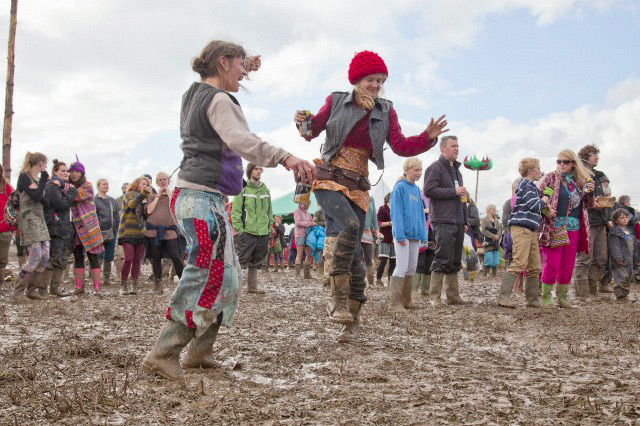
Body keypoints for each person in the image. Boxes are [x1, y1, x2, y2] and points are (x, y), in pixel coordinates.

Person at [142, 40, 314, 381]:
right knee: (207, 272)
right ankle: (163, 353)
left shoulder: (194, 94)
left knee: (228, 275)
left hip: (199, 198)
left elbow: (220, 78)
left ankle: (200, 352)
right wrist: (285, 156)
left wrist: (245, 64)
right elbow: (241, 139)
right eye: (238, 67)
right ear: (222, 63)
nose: (242, 77)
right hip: (201, 198)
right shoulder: (220, 100)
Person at [294, 50, 446, 343]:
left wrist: (427, 138)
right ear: (357, 80)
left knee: (353, 252)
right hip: (329, 177)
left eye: (380, 80)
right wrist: (302, 120)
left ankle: (350, 323)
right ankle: (336, 301)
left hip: (359, 184)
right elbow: (310, 132)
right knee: (351, 227)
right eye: (370, 79)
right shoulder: (337, 100)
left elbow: (400, 145)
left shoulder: (386, 110)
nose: (376, 85)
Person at [537, 149, 595, 308]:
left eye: (565, 162)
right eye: (559, 161)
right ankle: (546, 298)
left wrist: (590, 192)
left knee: (568, 265)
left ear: (573, 164)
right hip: (554, 227)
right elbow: (535, 198)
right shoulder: (549, 177)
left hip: (575, 227)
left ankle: (562, 299)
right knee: (553, 264)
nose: (561, 164)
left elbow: (589, 205)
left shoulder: (579, 182)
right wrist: (544, 209)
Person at [497, 158, 550, 308]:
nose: (540, 172)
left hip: (531, 229)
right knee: (519, 262)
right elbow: (534, 205)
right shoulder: (526, 185)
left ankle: (532, 300)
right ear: (531, 171)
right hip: (521, 228)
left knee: (535, 266)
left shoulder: (530, 187)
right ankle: (504, 297)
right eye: (538, 169)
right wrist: (546, 197)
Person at [423, 136, 470, 306]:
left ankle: (453, 296)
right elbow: (429, 190)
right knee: (442, 257)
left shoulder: (457, 171)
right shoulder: (435, 168)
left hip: (457, 221)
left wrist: (464, 220)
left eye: (458, 145)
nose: (457, 149)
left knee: (455, 259)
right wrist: (453, 191)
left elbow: (462, 197)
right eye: (453, 146)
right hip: (442, 219)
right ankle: (434, 296)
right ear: (443, 149)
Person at [573, 144, 612, 297]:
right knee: (584, 257)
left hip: (601, 220)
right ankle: (582, 294)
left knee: (600, 258)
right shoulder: (577, 173)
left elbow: (607, 192)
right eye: (594, 154)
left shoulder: (600, 174)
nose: (597, 157)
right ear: (586, 155)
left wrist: (606, 202)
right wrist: (591, 203)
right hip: (585, 220)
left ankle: (593, 291)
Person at [389, 157, 428, 311]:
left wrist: (423, 235)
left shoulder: (416, 190)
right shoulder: (399, 188)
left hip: (415, 235)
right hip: (402, 235)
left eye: (420, 170)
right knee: (402, 266)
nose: (419, 173)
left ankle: (406, 300)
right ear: (407, 170)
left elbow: (420, 214)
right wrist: (399, 235)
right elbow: (396, 212)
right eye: (416, 170)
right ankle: (394, 303)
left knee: (412, 267)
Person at [232, 163, 273, 293]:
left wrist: (269, 227)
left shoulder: (265, 190)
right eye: (256, 169)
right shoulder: (242, 190)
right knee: (241, 260)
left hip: (263, 232)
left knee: (256, 260)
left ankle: (252, 287)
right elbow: (236, 211)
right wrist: (240, 230)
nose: (259, 171)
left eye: (261, 169)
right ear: (250, 171)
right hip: (247, 232)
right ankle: (233, 288)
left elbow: (270, 211)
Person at [14, 152, 50, 300]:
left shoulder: (38, 179)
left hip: (40, 218)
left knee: (45, 255)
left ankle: (32, 290)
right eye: (45, 164)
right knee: (35, 254)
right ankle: (18, 290)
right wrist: (43, 180)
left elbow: (44, 200)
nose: (46, 167)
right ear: (40, 164)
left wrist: (43, 186)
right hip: (28, 218)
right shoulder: (24, 176)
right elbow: (35, 196)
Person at [68, 158, 105, 296]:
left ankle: (97, 288)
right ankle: (79, 287)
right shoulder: (68, 186)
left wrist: (66, 187)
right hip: (76, 227)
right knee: (78, 257)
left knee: (93, 257)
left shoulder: (88, 186)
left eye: (77, 171)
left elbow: (77, 196)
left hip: (89, 227)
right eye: (71, 171)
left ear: (82, 173)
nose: (74, 174)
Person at [43, 160, 78, 297]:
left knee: (62, 259)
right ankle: (42, 289)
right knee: (54, 259)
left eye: (66, 171)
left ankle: (55, 288)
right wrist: (71, 193)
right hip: (55, 227)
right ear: (55, 172)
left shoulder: (61, 186)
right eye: (62, 170)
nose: (66, 173)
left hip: (63, 227)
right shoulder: (52, 186)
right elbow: (60, 205)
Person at [145, 172, 184, 294]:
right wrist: (158, 196)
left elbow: (177, 209)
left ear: (168, 181)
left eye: (165, 179)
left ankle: (184, 283)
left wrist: (168, 194)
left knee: (176, 256)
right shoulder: (151, 197)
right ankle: (158, 283)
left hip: (170, 231)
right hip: (154, 232)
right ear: (157, 182)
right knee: (156, 257)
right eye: (160, 180)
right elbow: (149, 211)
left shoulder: (174, 197)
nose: (162, 181)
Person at [117, 176, 151, 295]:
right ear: (137, 184)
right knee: (128, 259)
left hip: (140, 232)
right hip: (127, 231)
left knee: (137, 260)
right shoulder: (129, 194)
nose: (145, 186)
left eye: (147, 184)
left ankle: (134, 284)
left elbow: (147, 214)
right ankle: (123, 284)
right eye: (143, 184)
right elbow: (131, 205)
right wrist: (142, 195)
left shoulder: (146, 197)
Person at [608, 208, 639, 302]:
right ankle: (620, 296)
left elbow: (634, 246)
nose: (625, 219)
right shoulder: (614, 232)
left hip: (629, 259)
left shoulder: (629, 231)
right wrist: (617, 258)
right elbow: (614, 246)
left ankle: (625, 295)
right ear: (616, 220)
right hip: (619, 260)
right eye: (622, 218)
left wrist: (635, 259)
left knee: (628, 277)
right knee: (620, 277)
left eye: (626, 217)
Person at [94, 178, 120, 287]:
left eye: (107, 184)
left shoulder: (112, 200)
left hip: (111, 232)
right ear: (98, 186)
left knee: (109, 256)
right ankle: (96, 279)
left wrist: (116, 228)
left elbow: (116, 215)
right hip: (98, 233)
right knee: (97, 256)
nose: (106, 186)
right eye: (104, 184)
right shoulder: (94, 200)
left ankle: (106, 278)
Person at [376, 193, 395, 286]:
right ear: (388, 199)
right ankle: (378, 279)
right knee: (383, 259)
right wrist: (389, 223)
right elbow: (378, 223)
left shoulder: (397, 209)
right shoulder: (382, 208)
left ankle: (390, 280)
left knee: (393, 261)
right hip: (385, 237)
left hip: (394, 239)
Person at [0, 163, 14, 288]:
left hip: (4, 230)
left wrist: (10, 223)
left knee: (2, 261)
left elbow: (15, 207)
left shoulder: (7, 188)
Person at [293, 202, 314, 278]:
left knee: (309, 254)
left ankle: (307, 274)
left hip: (308, 235)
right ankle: (297, 274)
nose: (309, 206)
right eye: (308, 204)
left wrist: (313, 222)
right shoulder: (297, 210)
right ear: (305, 203)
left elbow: (311, 222)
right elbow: (297, 223)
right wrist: (309, 223)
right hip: (300, 234)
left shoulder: (308, 212)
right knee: (299, 254)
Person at [360, 197, 378, 287]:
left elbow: (374, 216)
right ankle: (358, 281)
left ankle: (371, 282)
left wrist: (377, 230)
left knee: (368, 258)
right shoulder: (355, 194)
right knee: (357, 258)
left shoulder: (371, 199)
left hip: (367, 233)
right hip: (356, 231)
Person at [481, 204, 502, 277]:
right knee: (488, 258)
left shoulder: (496, 220)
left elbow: (499, 229)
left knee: (495, 258)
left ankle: (494, 275)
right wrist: (493, 236)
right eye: (493, 209)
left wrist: (498, 236)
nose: (495, 210)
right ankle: (485, 273)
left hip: (495, 241)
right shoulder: (484, 219)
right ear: (489, 210)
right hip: (488, 241)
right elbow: (483, 230)